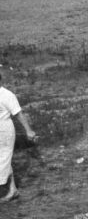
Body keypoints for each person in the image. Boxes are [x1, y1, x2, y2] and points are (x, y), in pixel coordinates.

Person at [1, 72, 37, 203]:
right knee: (4, 160)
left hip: (4, 131)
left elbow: (18, 114)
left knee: (3, 159)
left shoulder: (7, 95)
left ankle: (11, 189)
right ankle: (13, 189)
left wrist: (28, 130)